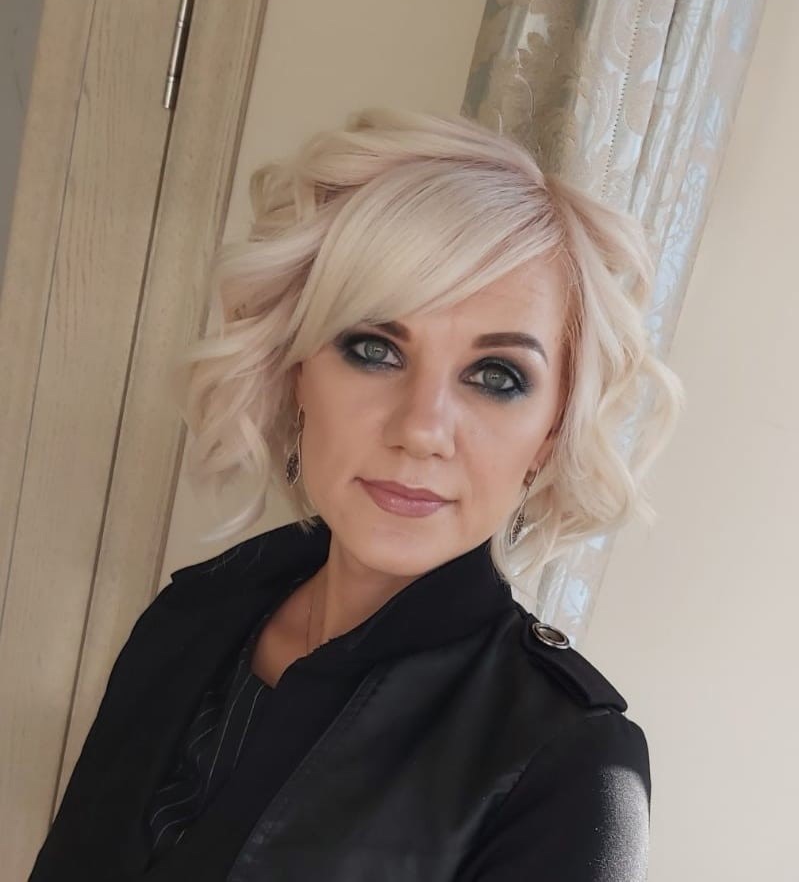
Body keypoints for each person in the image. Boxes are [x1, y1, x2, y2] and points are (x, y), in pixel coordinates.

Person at [29, 107, 683, 881]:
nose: (421, 429)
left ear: (549, 432)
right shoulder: (190, 616)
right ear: (298, 370)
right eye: (373, 350)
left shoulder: (573, 767)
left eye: (496, 376)